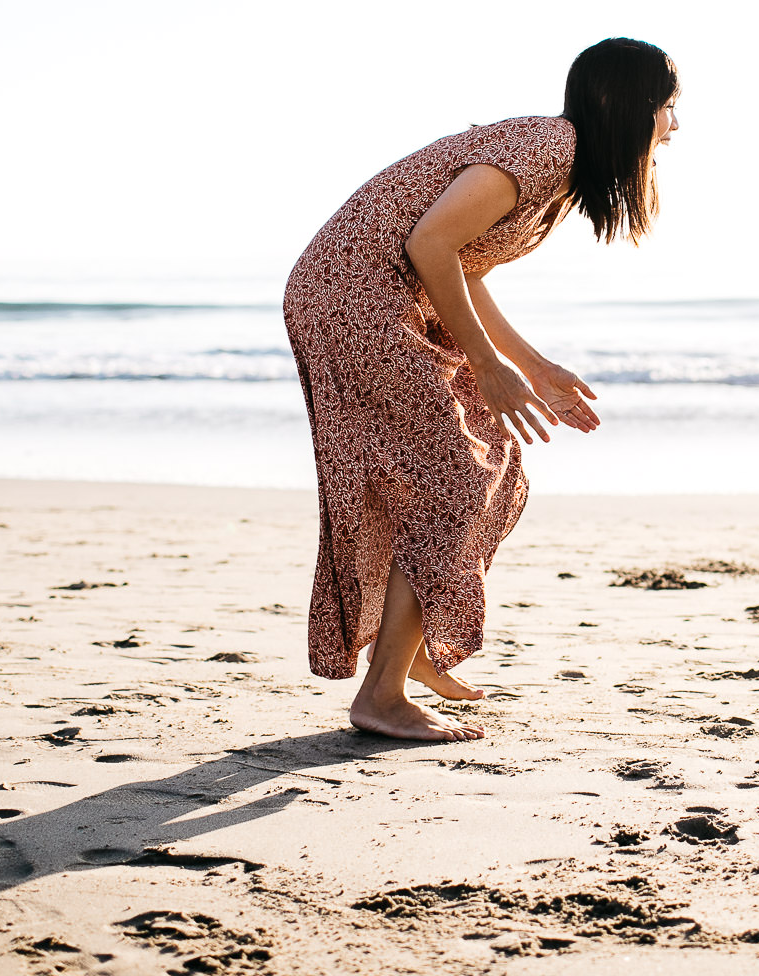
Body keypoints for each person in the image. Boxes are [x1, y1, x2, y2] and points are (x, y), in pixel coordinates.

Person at [283, 38, 680, 742]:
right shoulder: (548, 145)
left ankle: (405, 656)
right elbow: (427, 245)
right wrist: (487, 366)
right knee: (457, 479)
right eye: (668, 109)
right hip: (356, 295)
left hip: (390, 297)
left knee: (488, 468)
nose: (673, 128)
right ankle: (382, 695)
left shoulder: (562, 168)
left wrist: (528, 366)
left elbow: (464, 268)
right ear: (627, 105)